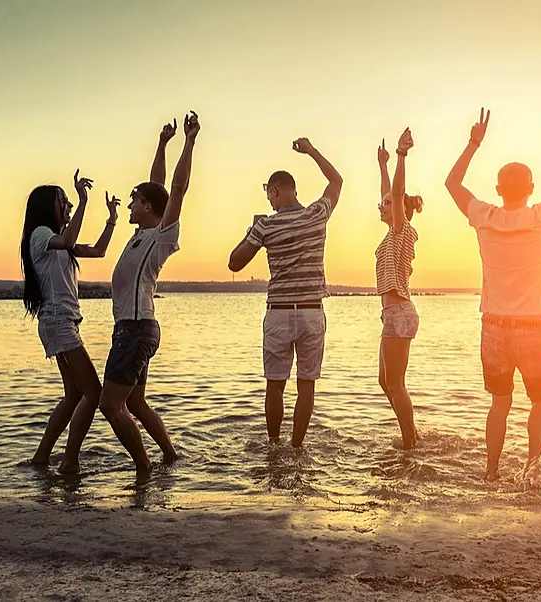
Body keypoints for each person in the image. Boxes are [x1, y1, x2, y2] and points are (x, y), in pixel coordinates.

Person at [444, 103, 541, 480]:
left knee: (499, 403)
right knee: (540, 400)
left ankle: (491, 471)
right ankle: (532, 467)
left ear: (498, 189)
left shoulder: (484, 217)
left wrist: (473, 143)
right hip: (531, 327)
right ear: (531, 188)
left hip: (493, 326)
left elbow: (451, 184)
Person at [67, 113, 200, 477]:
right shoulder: (142, 231)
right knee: (135, 402)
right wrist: (162, 143)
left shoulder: (161, 236)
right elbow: (158, 184)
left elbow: (175, 190)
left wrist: (189, 141)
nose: (128, 206)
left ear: (147, 208)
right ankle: (170, 457)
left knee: (111, 406)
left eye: (134, 201)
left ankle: (144, 471)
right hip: (133, 328)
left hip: (135, 329)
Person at [228, 137, 343, 447]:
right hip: (311, 311)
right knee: (306, 386)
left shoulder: (266, 225)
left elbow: (234, 263)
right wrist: (311, 151)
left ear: (276, 191)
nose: (269, 200)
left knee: (275, 387)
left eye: (269, 193)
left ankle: (274, 447)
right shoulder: (317, 214)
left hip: (279, 313)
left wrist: (250, 232)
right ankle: (297, 448)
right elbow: (336, 181)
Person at [19, 169, 119, 471]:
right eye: (62, 201)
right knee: (94, 392)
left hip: (64, 323)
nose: (67, 206)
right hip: (57, 323)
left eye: (68, 201)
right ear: (47, 207)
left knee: (75, 394)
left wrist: (111, 219)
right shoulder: (41, 235)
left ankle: (42, 457)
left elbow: (99, 251)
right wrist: (83, 200)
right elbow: (69, 237)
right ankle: (70, 460)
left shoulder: (58, 240)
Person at [375, 129, 424, 449]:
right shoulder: (393, 233)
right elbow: (390, 193)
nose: (380, 206)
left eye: (388, 204)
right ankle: (410, 432)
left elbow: (396, 190)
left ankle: (410, 441)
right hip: (393, 313)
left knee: (395, 383)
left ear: (399, 212)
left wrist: (400, 156)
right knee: (385, 382)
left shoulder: (401, 229)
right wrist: (382, 165)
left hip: (399, 313)